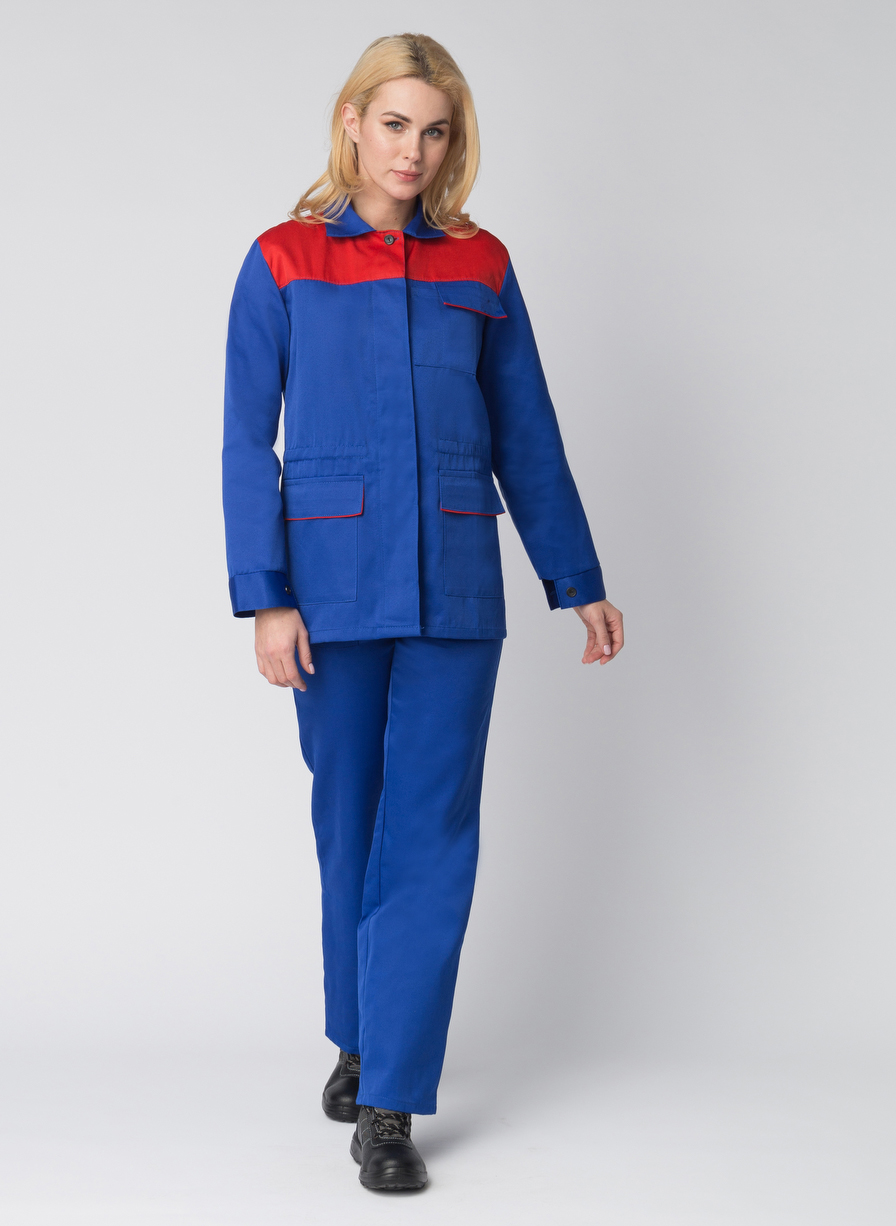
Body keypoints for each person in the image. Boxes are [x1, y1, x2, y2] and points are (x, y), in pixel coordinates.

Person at [221, 32, 624, 1192]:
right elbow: (246, 440)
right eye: (394, 123)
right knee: (348, 816)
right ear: (352, 121)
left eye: (434, 130)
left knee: (432, 834)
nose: (413, 149)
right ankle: (359, 1036)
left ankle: (389, 1099)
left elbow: (525, 430)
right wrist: (265, 598)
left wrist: (575, 576)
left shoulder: (480, 264)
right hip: (329, 590)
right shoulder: (283, 258)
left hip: (454, 585)